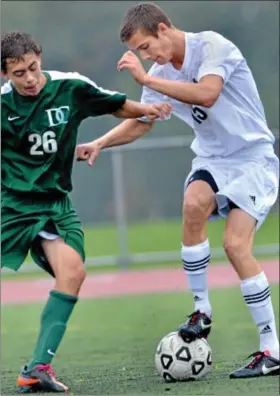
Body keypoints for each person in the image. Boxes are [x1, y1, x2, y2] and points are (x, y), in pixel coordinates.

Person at [76, 3, 280, 379]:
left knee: (236, 247)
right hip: (213, 160)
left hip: (253, 159)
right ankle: (202, 312)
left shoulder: (212, 46)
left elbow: (207, 94)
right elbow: (141, 123)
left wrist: (148, 81)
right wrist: (100, 144)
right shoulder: (158, 73)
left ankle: (271, 350)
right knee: (192, 204)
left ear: (164, 29)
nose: (146, 56)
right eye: (140, 53)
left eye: (146, 47)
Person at [1, 30, 171, 393]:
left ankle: (36, 369)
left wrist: (147, 109)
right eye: (19, 74)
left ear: (40, 58)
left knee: (73, 273)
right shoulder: (2, 107)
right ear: (5, 75)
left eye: (33, 68)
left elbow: (115, 105)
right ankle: (38, 367)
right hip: (15, 207)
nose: (29, 79)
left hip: (57, 205)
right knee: (73, 271)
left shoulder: (70, 87)